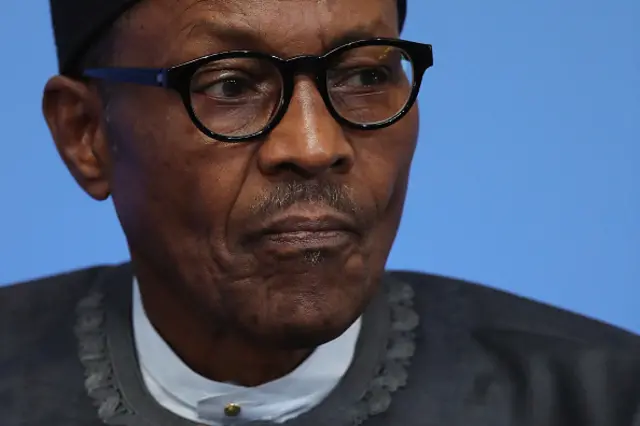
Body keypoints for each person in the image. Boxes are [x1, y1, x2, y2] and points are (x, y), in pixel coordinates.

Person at [1, 0, 639, 425]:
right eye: (229, 85)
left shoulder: (599, 399)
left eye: (364, 77)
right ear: (87, 134)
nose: (315, 145)